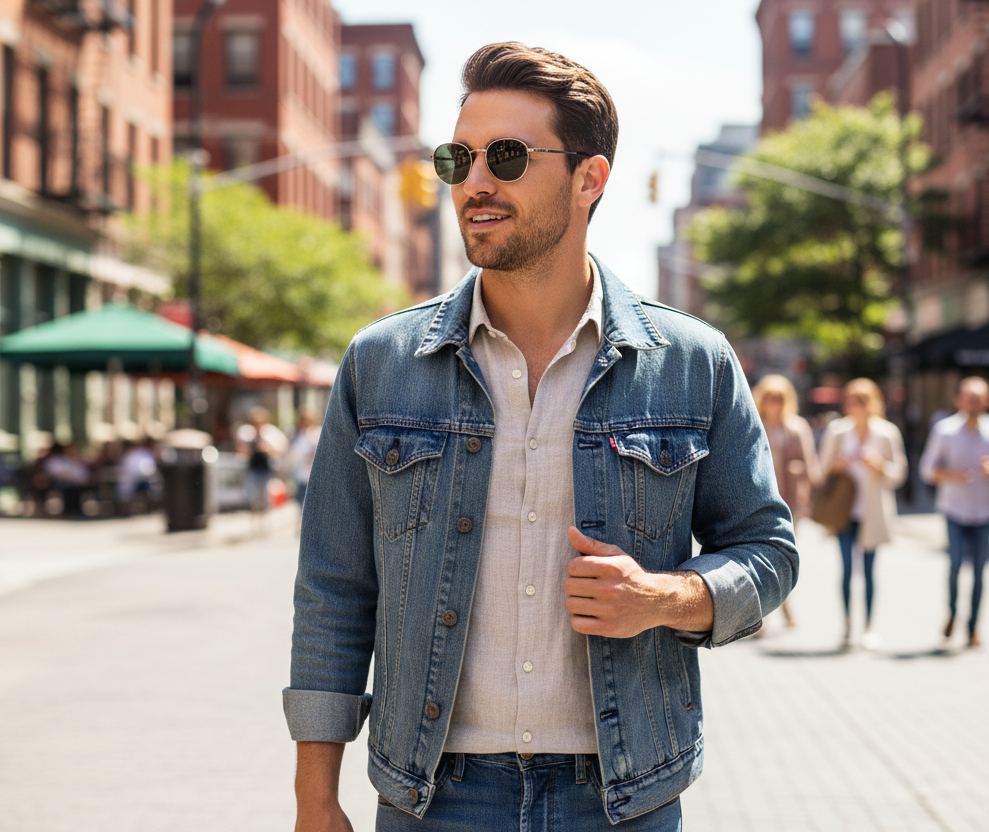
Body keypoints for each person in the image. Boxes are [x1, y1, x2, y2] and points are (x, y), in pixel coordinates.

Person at [286, 43, 798, 831]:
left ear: (589, 179)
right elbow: (334, 585)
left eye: (508, 157)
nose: (475, 183)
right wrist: (314, 796)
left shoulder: (692, 362)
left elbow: (768, 550)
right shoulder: (381, 363)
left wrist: (667, 598)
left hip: (625, 799)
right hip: (433, 800)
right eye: (459, 158)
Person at [920, 376, 989, 648]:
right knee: (955, 566)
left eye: (978, 398)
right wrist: (951, 475)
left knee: (979, 572)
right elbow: (927, 470)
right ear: (959, 400)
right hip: (954, 509)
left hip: (984, 511)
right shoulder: (945, 430)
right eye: (968, 398)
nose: (972, 403)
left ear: (988, 401)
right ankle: (953, 612)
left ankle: (973, 626)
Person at [817, 379, 907, 650]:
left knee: (868, 571)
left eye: (859, 401)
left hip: (872, 512)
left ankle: (868, 628)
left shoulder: (887, 433)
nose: (853, 406)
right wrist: (838, 464)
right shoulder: (838, 431)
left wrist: (879, 465)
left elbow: (899, 474)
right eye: (850, 401)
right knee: (846, 570)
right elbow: (821, 469)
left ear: (871, 403)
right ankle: (847, 626)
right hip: (844, 511)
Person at [752, 374, 820, 629]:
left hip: (790, 504)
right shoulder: (754, 425)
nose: (774, 402)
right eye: (770, 397)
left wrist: (799, 471)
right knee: (760, 555)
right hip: (759, 502)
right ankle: (765, 613)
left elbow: (812, 469)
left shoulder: (797, 428)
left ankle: (783, 604)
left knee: (783, 556)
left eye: (779, 397)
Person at [235, 407, 288, 512]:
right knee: (252, 493)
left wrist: (268, 449)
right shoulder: (247, 433)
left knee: (265, 493)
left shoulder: (271, 433)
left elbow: (281, 448)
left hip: (266, 467)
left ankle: (264, 514)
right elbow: (240, 450)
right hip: (253, 466)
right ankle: (255, 512)